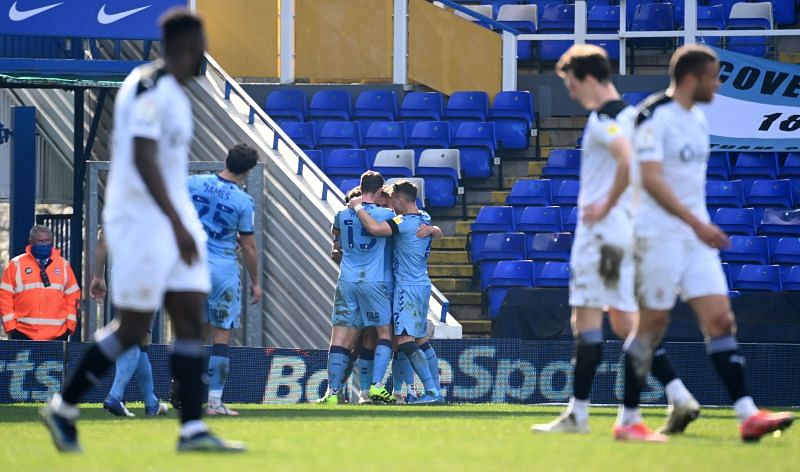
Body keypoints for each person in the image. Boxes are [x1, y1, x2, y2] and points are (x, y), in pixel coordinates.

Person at [40, 9, 244, 453]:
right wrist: (176, 223)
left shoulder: (173, 92)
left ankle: (191, 429)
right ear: (188, 48)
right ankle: (63, 406)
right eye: (202, 47)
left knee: (191, 318)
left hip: (171, 220)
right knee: (132, 327)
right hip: (142, 223)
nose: (205, 57)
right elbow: (143, 157)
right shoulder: (149, 87)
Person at [616, 44, 794, 443]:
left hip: (694, 238)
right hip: (657, 235)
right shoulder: (652, 115)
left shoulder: (697, 119)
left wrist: (698, 225)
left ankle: (747, 415)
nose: (718, 84)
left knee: (719, 321)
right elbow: (650, 178)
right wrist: (697, 222)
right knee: (652, 326)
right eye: (714, 77)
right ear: (693, 78)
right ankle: (628, 420)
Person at [532, 44, 699, 437]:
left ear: (586, 78)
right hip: (622, 233)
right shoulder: (630, 116)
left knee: (588, 321)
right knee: (625, 321)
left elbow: (627, 160)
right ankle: (675, 395)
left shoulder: (607, 119)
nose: (570, 91)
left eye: (570, 83)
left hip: (601, 236)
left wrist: (604, 204)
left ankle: (583, 414)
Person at [348, 180, 444, 404]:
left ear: (401, 198)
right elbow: (436, 231)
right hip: (422, 284)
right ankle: (435, 390)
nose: (391, 205)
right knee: (420, 339)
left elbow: (374, 229)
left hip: (406, 288)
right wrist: (436, 231)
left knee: (403, 339)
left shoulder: (404, 221)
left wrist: (358, 207)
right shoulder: (425, 218)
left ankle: (431, 392)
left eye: (393, 200)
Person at [187, 143, 262, 416]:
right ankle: (215, 402)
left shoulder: (194, 183)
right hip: (222, 270)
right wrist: (255, 281)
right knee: (221, 336)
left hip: (190, 265)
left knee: (192, 333)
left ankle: (184, 387)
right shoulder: (243, 200)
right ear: (248, 171)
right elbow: (249, 245)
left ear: (226, 159)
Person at [321, 171, 396, 404]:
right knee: (384, 333)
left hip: (347, 280)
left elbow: (335, 234)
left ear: (360, 187)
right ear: (380, 188)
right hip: (375, 281)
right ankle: (375, 387)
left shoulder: (342, 214)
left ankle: (332, 393)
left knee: (340, 338)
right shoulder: (387, 214)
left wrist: (338, 244)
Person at [89, 230, 169, 417]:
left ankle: (151, 403)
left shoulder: (120, 203)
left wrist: (98, 276)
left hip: (121, 276)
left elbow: (103, 238)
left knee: (139, 339)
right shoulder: (158, 205)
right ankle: (115, 396)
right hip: (146, 276)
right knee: (134, 335)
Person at [0, 225, 80, 341]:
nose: (44, 244)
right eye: (40, 241)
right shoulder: (16, 264)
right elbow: (5, 297)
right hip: (22, 333)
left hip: (57, 334)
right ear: (31, 241)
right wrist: (11, 327)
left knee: (55, 360)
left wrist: (69, 327)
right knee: (23, 361)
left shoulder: (63, 265)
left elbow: (73, 297)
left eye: (47, 241)